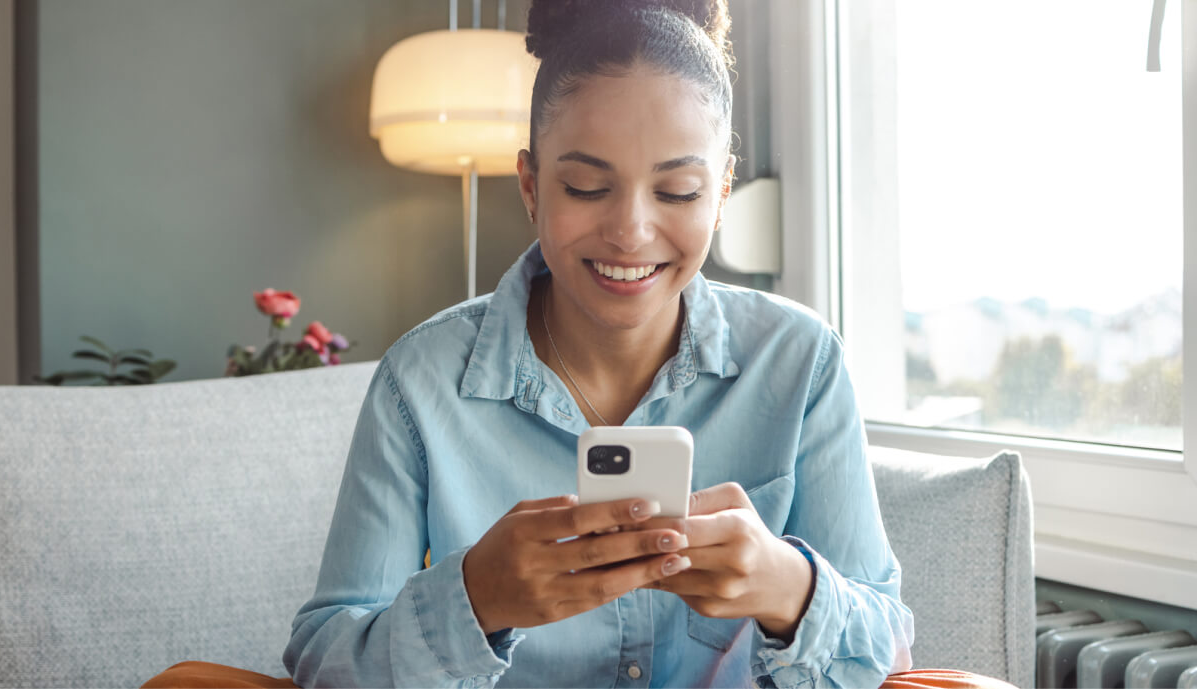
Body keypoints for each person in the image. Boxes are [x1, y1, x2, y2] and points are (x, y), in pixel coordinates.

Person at [146, 1, 1015, 687]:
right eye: (587, 185)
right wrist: (475, 598)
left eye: (677, 191)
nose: (631, 231)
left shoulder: (800, 364)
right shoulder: (423, 383)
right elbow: (326, 660)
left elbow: (889, 652)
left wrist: (787, 587)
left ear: (721, 191)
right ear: (530, 184)